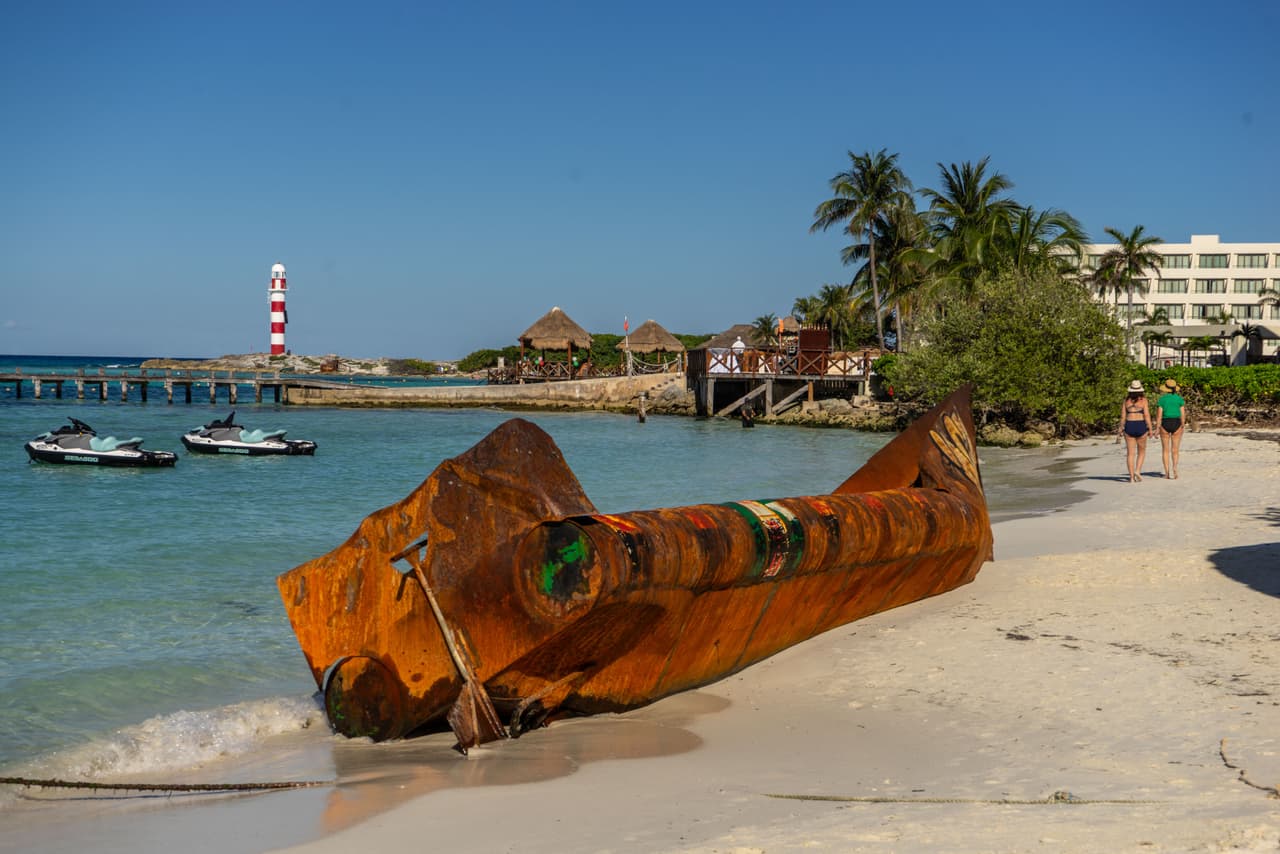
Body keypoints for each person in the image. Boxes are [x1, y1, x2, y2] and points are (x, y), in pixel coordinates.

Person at [1119, 379, 1152, 483]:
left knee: (1130, 454)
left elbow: (1123, 416)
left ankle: (1131, 477)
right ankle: (1137, 470)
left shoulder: (1126, 401)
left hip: (1129, 425)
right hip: (1140, 424)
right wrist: (1150, 428)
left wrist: (1120, 428)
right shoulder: (1143, 400)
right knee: (1141, 451)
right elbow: (1146, 415)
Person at [1155, 378, 1187, 480]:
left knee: (1165, 450)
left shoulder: (1162, 399)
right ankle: (1175, 469)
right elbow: (1182, 414)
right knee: (1175, 450)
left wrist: (1157, 427)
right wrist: (1182, 424)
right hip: (1176, 422)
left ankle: (1167, 473)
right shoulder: (1179, 399)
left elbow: (1159, 415)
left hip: (1165, 422)